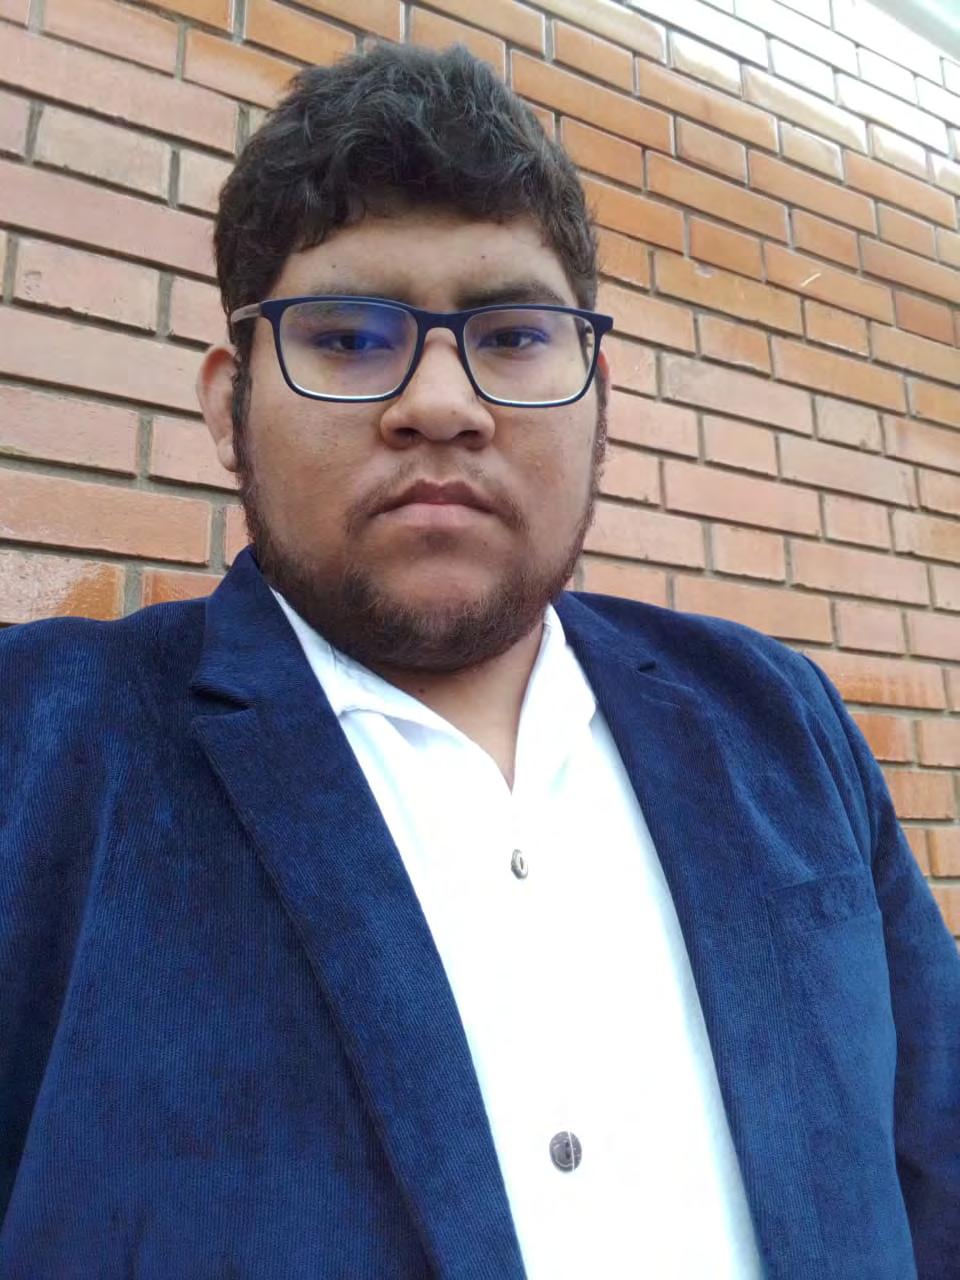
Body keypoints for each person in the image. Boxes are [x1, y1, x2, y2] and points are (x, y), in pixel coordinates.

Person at [0, 41, 956, 1280]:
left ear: (599, 395)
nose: (442, 402)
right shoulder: (39, 749)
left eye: (511, 334)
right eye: (350, 336)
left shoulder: (782, 721)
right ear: (229, 404)